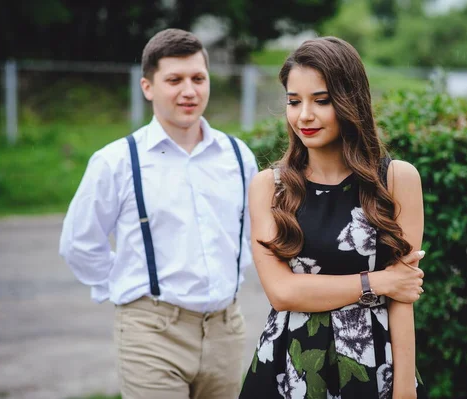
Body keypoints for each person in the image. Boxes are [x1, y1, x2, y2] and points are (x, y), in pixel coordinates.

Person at [59, 29, 258, 399]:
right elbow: (79, 244)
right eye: (175, 80)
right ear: (148, 87)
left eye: (198, 78)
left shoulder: (237, 156)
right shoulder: (116, 161)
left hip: (226, 331)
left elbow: (252, 233)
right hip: (151, 332)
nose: (189, 91)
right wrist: (127, 291)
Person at [239, 36, 429, 399]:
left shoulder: (397, 179)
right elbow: (282, 292)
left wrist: (404, 389)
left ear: (350, 101)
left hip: (374, 361)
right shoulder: (269, 186)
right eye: (294, 102)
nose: (304, 115)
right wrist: (378, 282)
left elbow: (403, 292)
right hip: (288, 364)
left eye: (321, 101)